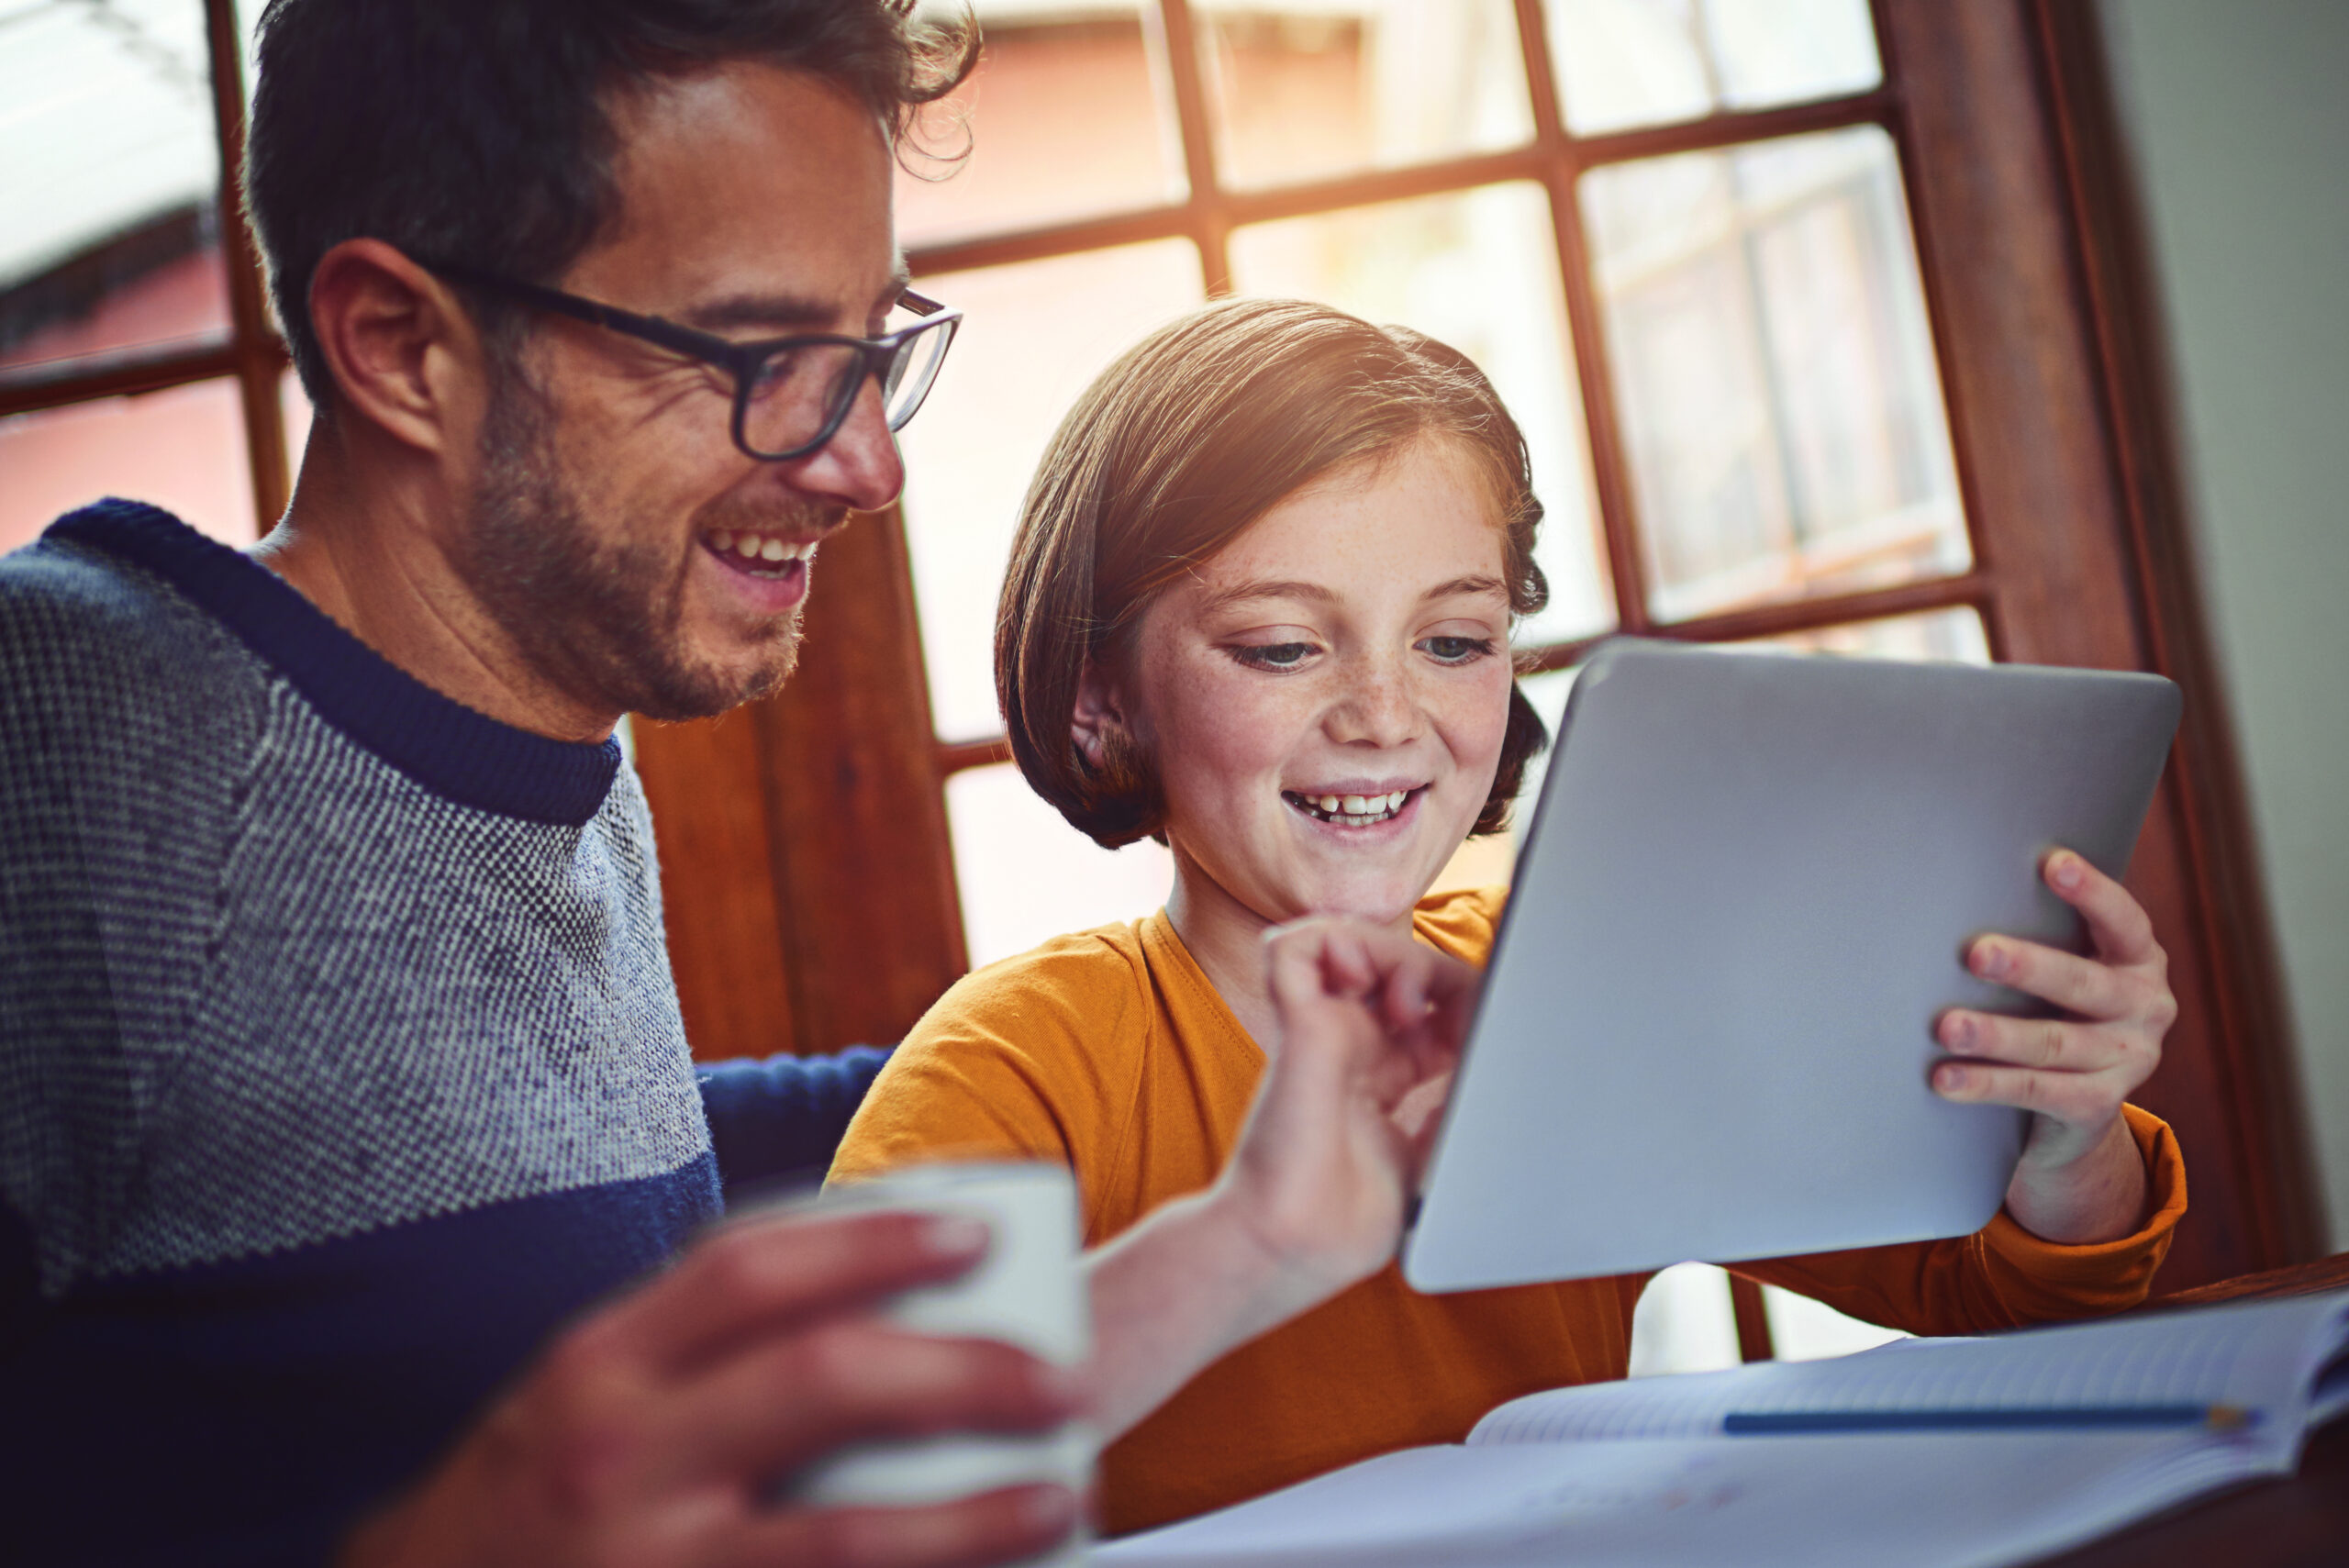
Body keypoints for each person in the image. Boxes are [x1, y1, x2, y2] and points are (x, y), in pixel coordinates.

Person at [2, 4, 1463, 1564]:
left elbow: (537, 1178)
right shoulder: (71, 741)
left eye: (869, 351)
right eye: (765, 358)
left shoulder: (539, 746)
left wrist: (1145, 1086)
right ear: (401, 347)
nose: (865, 467)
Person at [828, 299, 2191, 1536]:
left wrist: (2063, 1143)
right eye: (1283, 646)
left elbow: (2006, 1298)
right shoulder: (1016, 1066)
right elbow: (845, 1508)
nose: (1384, 715)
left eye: (1455, 641)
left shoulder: (1569, 987)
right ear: (1100, 697)